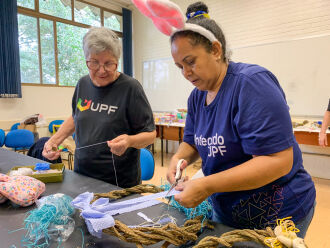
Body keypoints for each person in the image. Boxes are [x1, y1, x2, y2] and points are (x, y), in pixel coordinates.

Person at [164, 1, 316, 238]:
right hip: (228, 210)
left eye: (191, 62)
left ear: (216, 50)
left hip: (278, 212)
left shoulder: (251, 84)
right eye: (179, 66)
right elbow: (193, 141)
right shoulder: (197, 96)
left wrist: (206, 185)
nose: (185, 73)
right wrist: (179, 158)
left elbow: (278, 161)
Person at [43, 27, 156, 188]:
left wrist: (129, 141)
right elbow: (77, 116)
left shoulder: (130, 88)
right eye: (94, 62)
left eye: (109, 63)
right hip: (82, 177)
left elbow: (150, 135)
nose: (101, 70)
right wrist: (53, 140)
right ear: (86, 59)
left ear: (117, 60)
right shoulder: (82, 84)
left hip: (119, 183)